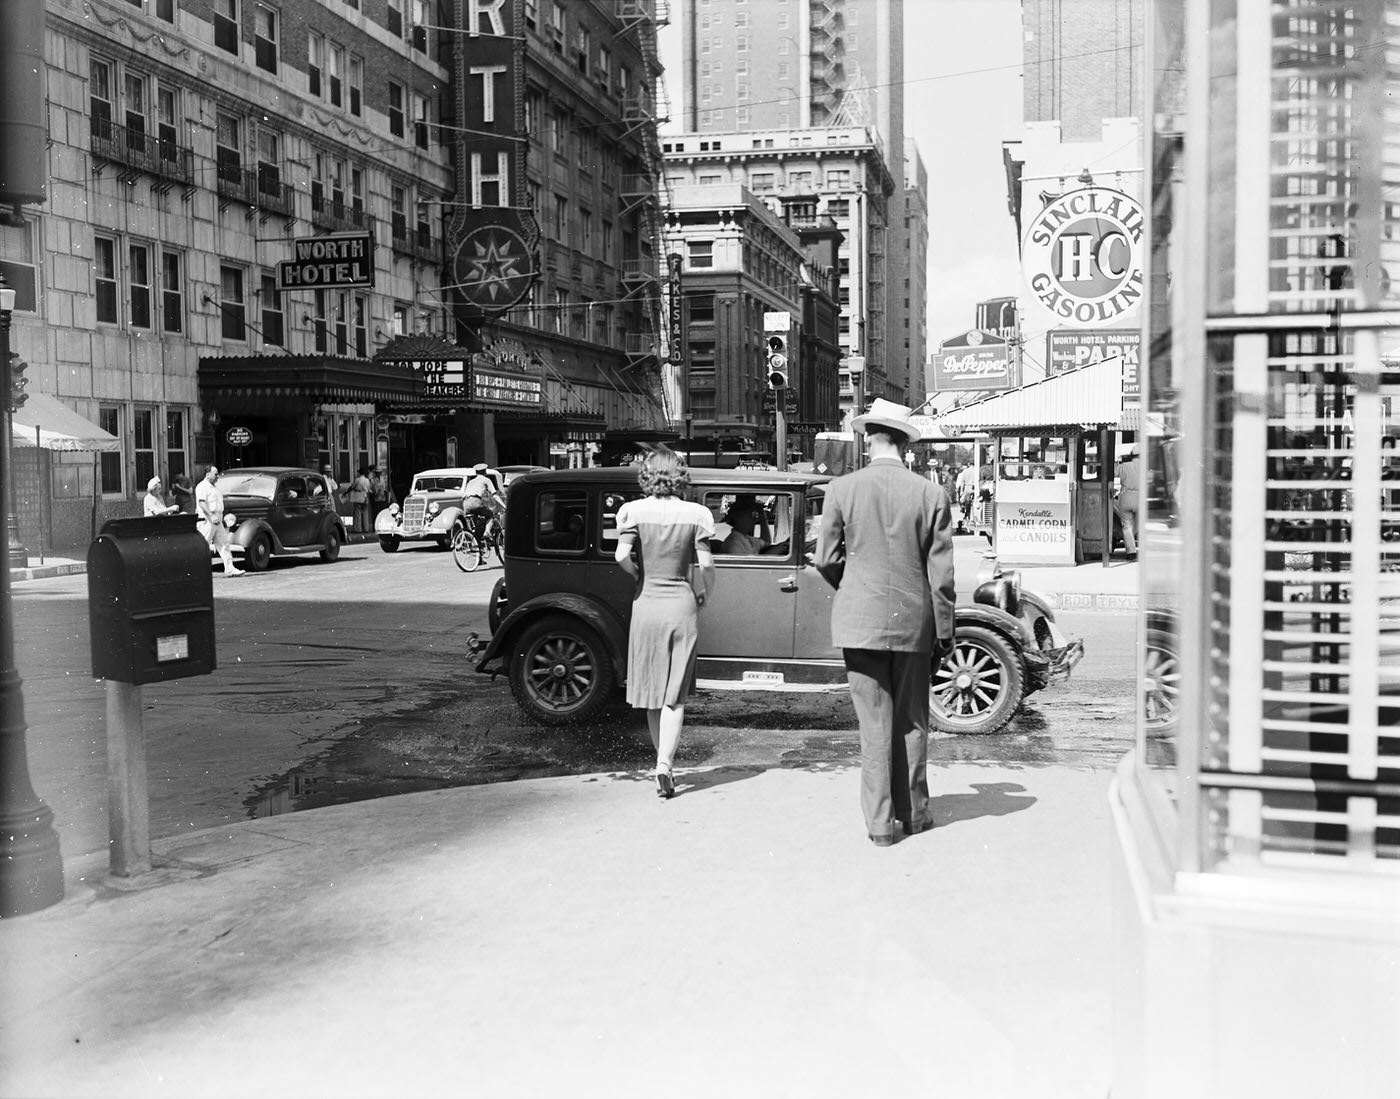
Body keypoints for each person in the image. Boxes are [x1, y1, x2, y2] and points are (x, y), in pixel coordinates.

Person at [814, 398, 956, 847]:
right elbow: (942, 577)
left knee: (874, 725)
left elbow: (825, 559)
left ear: (869, 439)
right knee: (912, 720)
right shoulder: (931, 494)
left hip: (860, 622)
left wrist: (855, 586)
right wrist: (945, 632)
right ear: (904, 443)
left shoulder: (842, 489)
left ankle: (879, 826)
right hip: (914, 622)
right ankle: (914, 813)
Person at [612, 448, 715, 799]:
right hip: (680, 604)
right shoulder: (696, 514)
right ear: (679, 475)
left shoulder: (633, 511)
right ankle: (664, 764)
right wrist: (705, 592)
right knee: (675, 693)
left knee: (653, 693)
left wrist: (637, 574)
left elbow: (621, 555)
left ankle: (661, 762)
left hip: (647, 603)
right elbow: (707, 564)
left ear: (648, 474)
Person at [195, 464, 244, 576]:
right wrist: (211, 515)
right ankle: (198, 570)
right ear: (208, 474)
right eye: (215, 474)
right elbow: (201, 503)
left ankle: (230, 569)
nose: (218, 477)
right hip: (207, 520)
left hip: (218, 519)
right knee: (203, 544)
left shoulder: (215, 488)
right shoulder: (202, 487)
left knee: (224, 544)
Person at [1115, 443, 1141, 559]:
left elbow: (1113, 472)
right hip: (1140, 497)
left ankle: (1131, 552)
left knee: (1126, 526)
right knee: (1138, 524)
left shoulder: (1124, 466)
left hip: (1126, 497)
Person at [462, 463, 498, 541]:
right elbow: (495, 495)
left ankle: (474, 541)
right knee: (490, 515)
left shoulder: (470, 482)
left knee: (473, 524)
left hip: (466, 503)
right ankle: (487, 532)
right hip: (476, 502)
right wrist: (505, 506)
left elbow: (463, 496)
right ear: (485, 471)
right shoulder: (486, 480)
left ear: (476, 472)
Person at [347, 466, 372, 533]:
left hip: (358, 497)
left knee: (357, 513)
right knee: (365, 513)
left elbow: (352, 487)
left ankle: (357, 529)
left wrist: (346, 492)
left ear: (360, 473)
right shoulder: (367, 480)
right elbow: (368, 488)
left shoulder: (357, 480)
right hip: (365, 496)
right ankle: (366, 528)